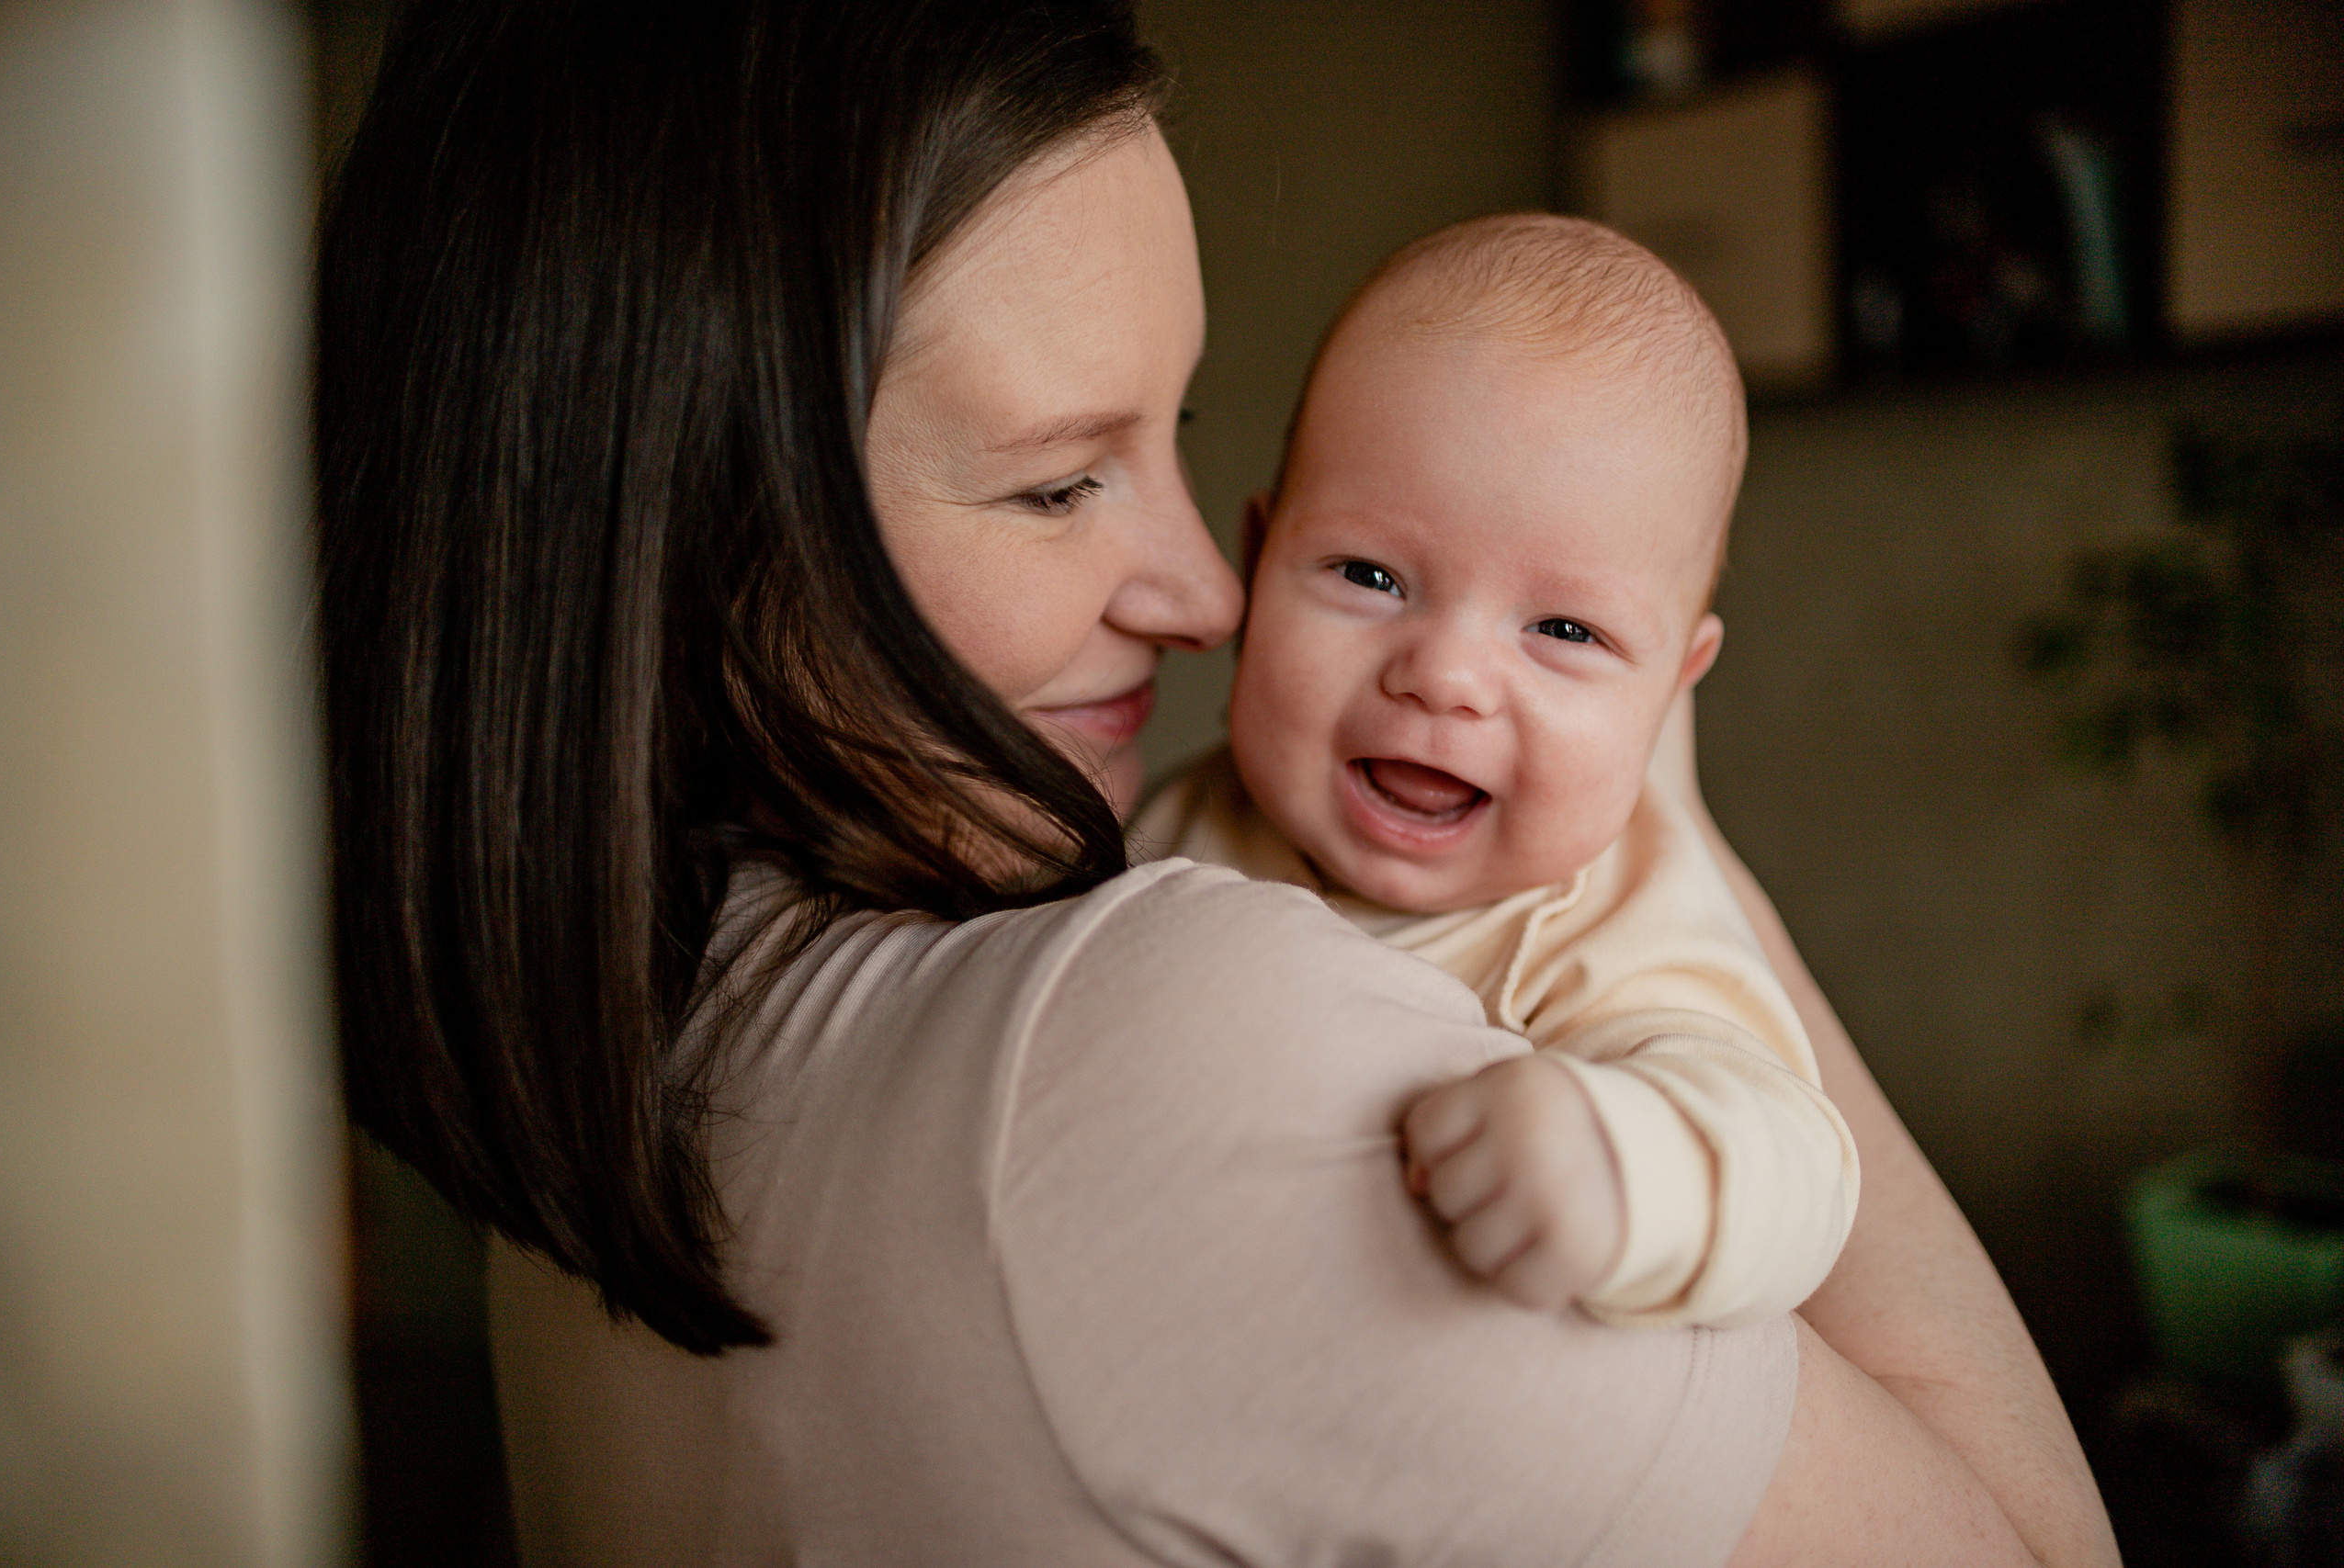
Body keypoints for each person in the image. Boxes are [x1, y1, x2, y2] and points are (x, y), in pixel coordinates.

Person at [316, 2, 2121, 1564]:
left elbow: (1745, 1134)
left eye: (1165, 438)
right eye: (1052, 481)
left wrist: (1660, 882)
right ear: (673, 525)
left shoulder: (611, 1056)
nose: (1199, 593)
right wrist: (1670, 797)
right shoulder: (1167, 1044)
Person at [1137, 214, 1860, 1331]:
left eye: (1564, 630)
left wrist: (1619, 1162)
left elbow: (1796, 1163)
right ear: (1257, 561)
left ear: (1672, 688)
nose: (1444, 676)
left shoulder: (1608, 925)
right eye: (1371, 574)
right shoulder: (1173, 820)